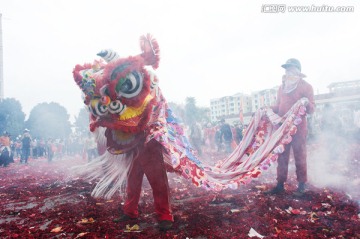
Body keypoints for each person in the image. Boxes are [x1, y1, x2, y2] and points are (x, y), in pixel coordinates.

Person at [265, 58, 315, 196]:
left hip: (298, 128)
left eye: (291, 69)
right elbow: (279, 107)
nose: (288, 72)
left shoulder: (306, 86)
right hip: (282, 128)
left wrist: (306, 103)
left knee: (300, 155)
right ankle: (280, 184)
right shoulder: (282, 88)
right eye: (287, 69)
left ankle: (302, 185)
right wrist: (266, 109)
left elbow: (312, 109)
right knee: (281, 155)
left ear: (298, 71)